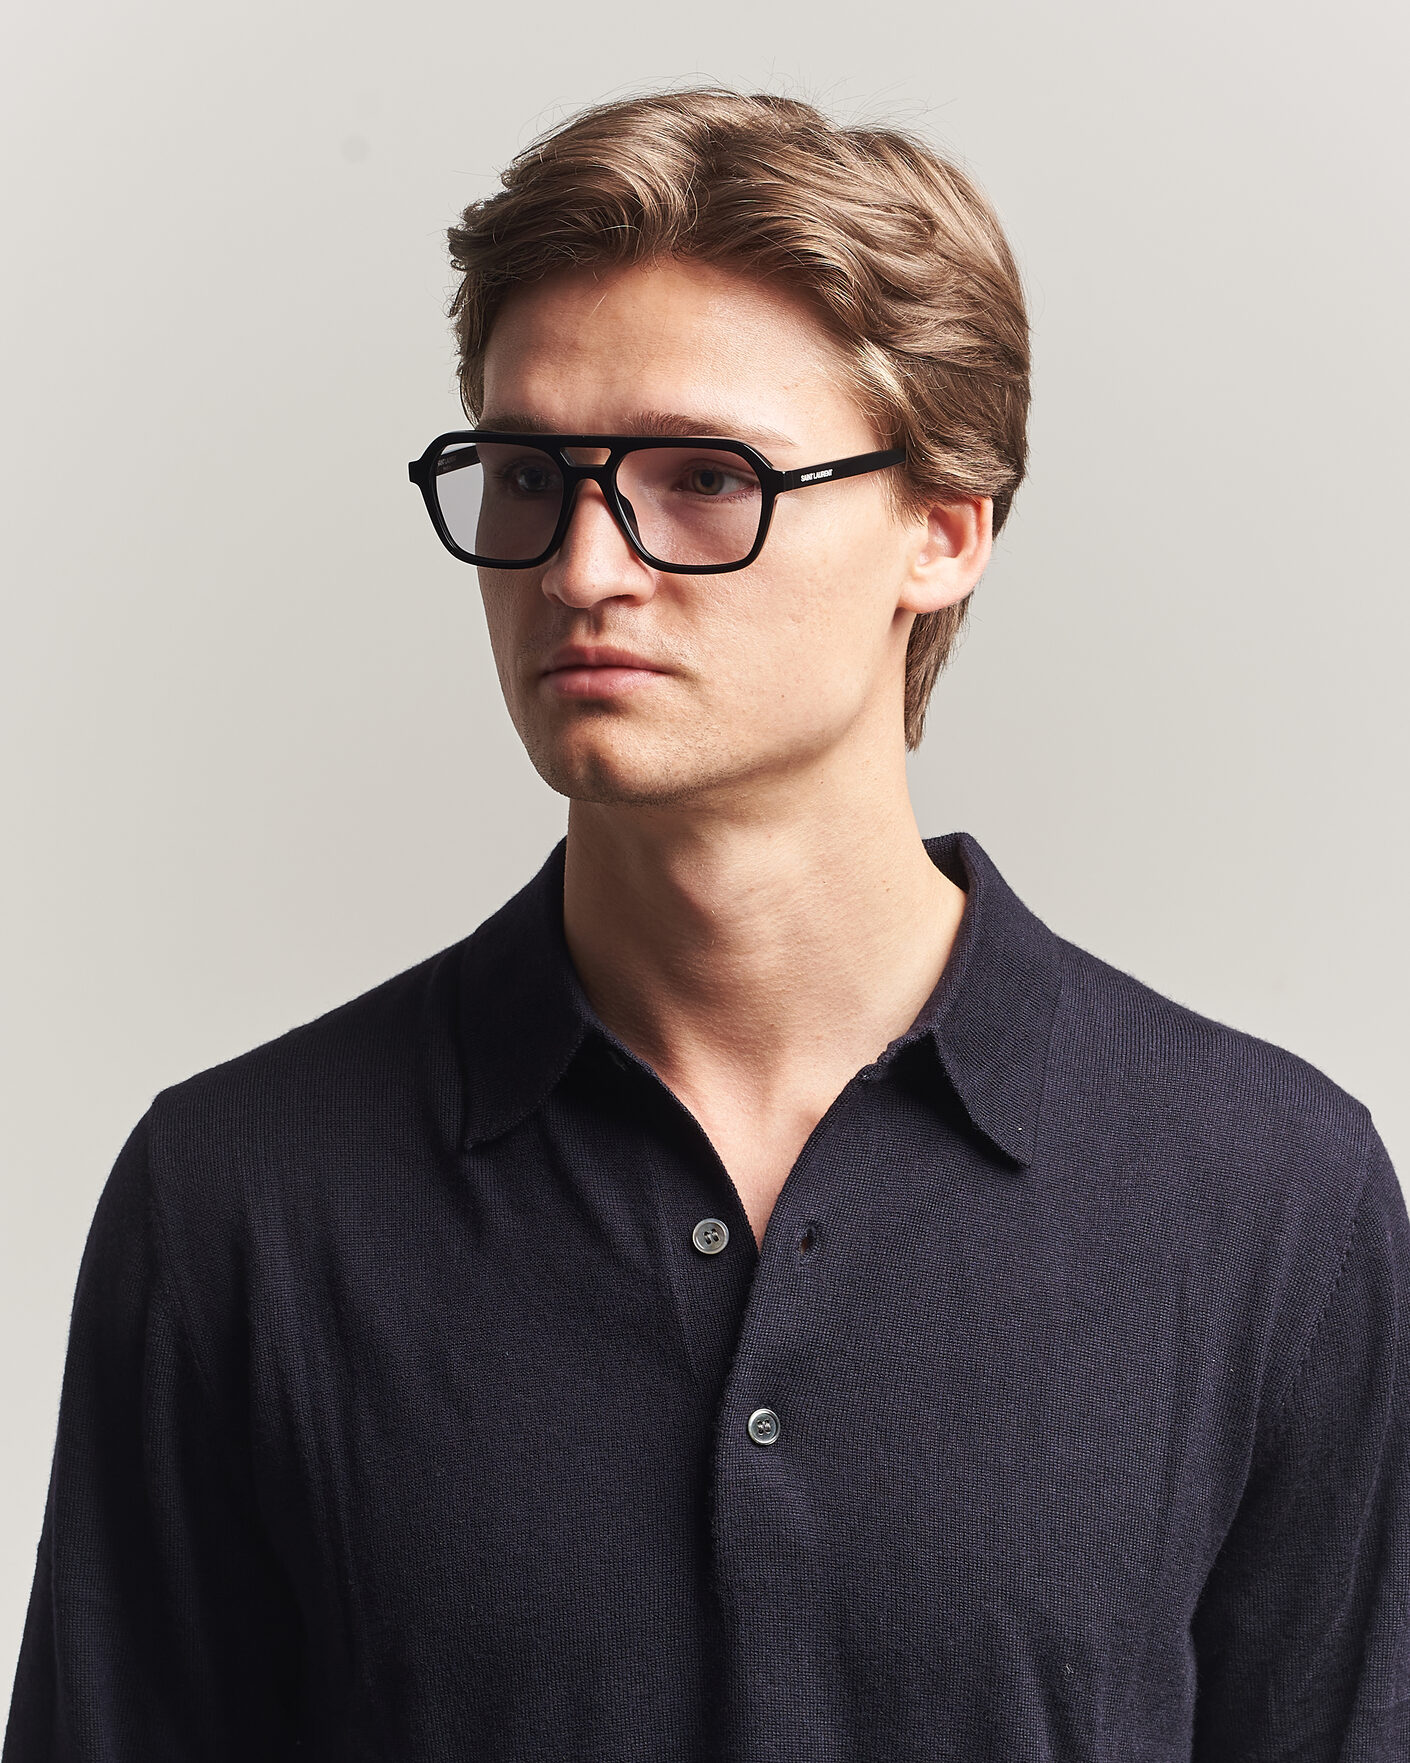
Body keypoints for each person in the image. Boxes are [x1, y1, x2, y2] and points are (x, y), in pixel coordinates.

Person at [5, 86, 1407, 1763]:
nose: (580, 567)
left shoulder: (1268, 1194)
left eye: (700, 479)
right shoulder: (240, 1198)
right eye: (528, 474)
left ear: (942, 530)